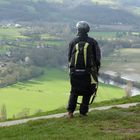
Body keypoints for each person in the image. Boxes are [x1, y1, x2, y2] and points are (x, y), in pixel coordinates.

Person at [67, 21, 101, 118]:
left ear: (77, 30)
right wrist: (96, 70)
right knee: (88, 91)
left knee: (74, 91)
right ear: (88, 30)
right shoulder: (92, 42)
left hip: (75, 72)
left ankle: (70, 112)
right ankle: (83, 113)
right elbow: (97, 58)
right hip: (89, 72)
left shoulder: (73, 41)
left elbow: (69, 58)